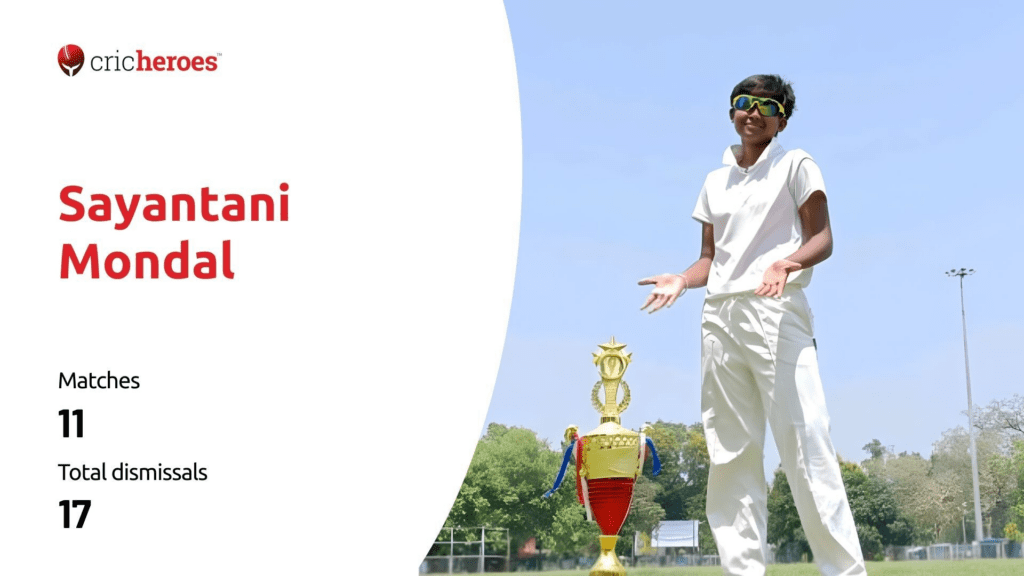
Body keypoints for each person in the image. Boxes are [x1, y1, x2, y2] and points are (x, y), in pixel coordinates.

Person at [638, 74, 866, 576]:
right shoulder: (714, 182)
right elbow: (710, 258)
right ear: (732, 113)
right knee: (730, 453)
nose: (753, 112)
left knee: (806, 443)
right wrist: (682, 279)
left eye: (767, 106)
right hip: (719, 318)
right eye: (744, 103)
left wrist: (787, 262)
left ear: (782, 119)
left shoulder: (796, 164)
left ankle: (845, 571)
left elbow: (822, 238)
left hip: (775, 309)